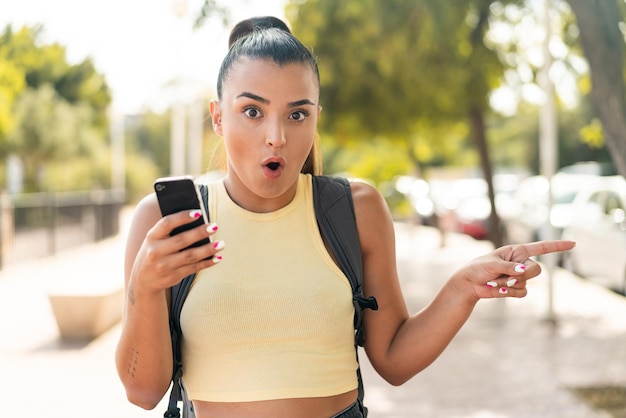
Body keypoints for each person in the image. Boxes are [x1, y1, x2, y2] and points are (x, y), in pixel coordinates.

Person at [115, 16, 575, 418]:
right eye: (251, 111)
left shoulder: (354, 209)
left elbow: (392, 358)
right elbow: (142, 391)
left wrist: (462, 289)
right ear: (218, 117)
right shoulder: (164, 221)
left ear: (316, 118)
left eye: (297, 114)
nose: (275, 136)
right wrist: (146, 285)